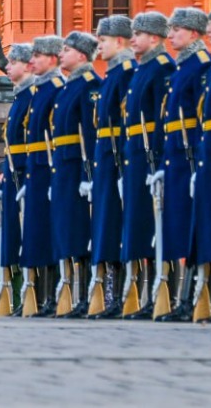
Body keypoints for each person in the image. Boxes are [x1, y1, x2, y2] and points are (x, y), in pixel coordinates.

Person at [154, 7, 211, 321]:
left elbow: (204, 115)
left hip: (191, 156)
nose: (170, 35)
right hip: (176, 156)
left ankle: (192, 299)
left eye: (176, 30)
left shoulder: (200, 64)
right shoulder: (182, 66)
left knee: (193, 228)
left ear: (192, 33)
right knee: (179, 228)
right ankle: (183, 299)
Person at [121, 12, 176, 320]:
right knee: (141, 228)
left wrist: (159, 161)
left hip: (152, 157)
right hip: (136, 157)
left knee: (157, 230)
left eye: (139, 34)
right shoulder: (143, 70)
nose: (133, 39)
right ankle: (145, 296)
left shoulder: (162, 68)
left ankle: (161, 294)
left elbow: (162, 120)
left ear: (154, 38)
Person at [49, 32, 101, 318]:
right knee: (68, 232)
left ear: (82, 55)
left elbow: (89, 135)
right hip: (64, 169)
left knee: (82, 235)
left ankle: (87, 296)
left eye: (67, 50)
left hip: (78, 168)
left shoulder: (90, 86)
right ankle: (76, 296)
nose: (62, 54)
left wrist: (88, 174)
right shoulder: (69, 86)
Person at [87, 16, 136, 319]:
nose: (99, 46)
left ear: (119, 41)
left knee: (122, 230)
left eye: (102, 40)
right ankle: (113, 297)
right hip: (107, 158)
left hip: (121, 158)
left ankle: (127, 296)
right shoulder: (113, 75)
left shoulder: (127, 73)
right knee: (107, 229)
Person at [21, 36, 65, 317]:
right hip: (36, 169)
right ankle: (45, 298)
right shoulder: (40, 90)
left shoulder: (56, 88)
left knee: (52, 236)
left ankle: (56, 296)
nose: (31, 61)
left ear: (52, 59)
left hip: (52, 168)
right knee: (38, 236)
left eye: (37, 56)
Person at [0, 43, 33, 316]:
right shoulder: (21, 97)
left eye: (13, 62)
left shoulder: (32, 96)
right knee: (16, 237)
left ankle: (39, 296)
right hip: (14, 174)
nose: (7, 67)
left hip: (28, 173)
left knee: (33, 238)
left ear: (28, 65)